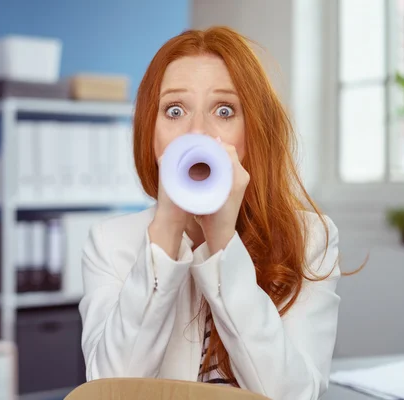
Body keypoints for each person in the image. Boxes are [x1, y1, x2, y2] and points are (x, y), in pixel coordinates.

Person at [78, 26, 348, 400]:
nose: (198, 133)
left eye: (224, 110)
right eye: (175, 110)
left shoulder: (311, 238)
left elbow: (293, 394)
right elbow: (109, 389)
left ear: (253, 131)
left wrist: (223, 245)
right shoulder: (110, 244)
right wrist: (166, 235)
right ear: (149, 133)